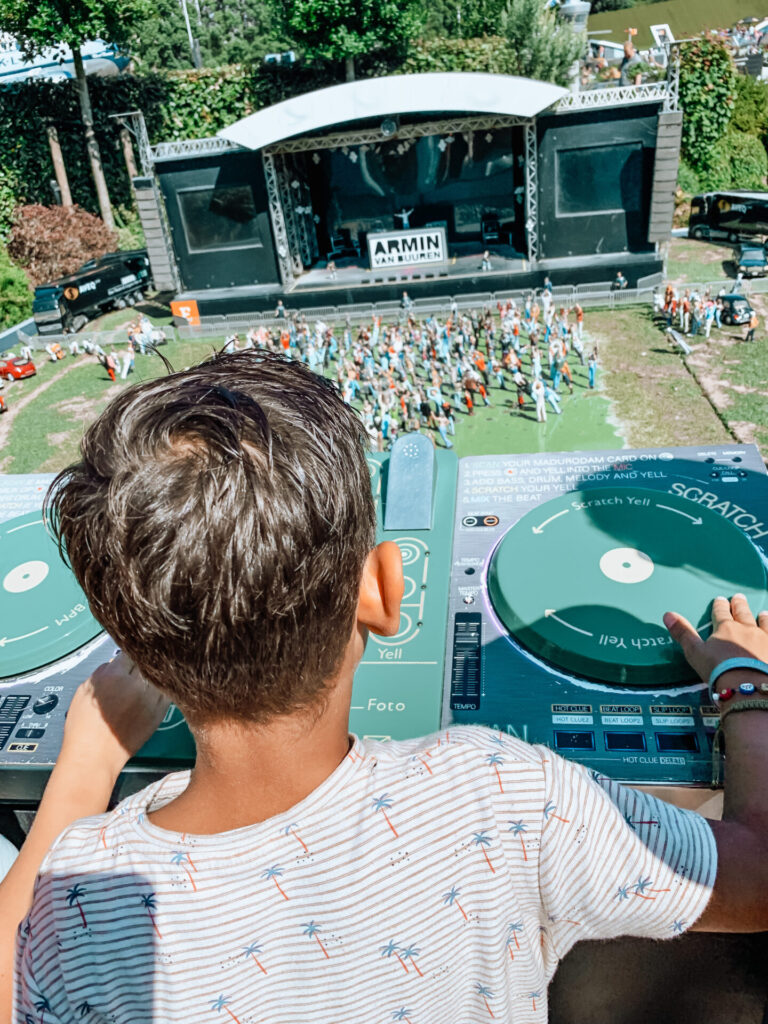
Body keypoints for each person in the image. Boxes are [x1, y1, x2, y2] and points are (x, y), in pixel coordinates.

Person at [6, 353, 768, 1023]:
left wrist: (85, 768)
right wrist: (746, 686)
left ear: (129, 641)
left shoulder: (82, 893)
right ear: (383, 590)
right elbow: (757, 878)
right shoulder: (503, 795)